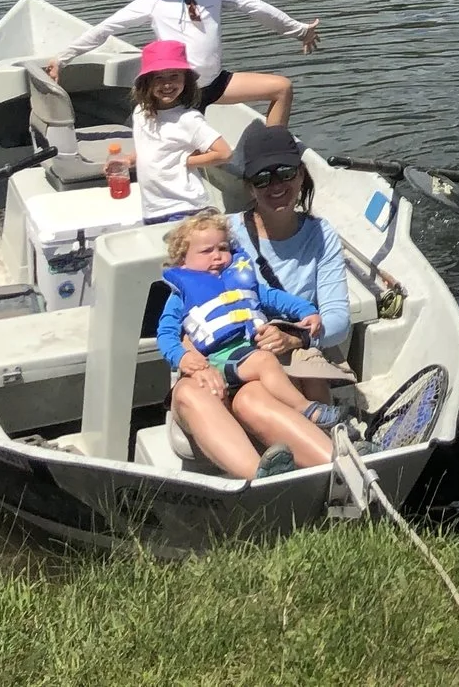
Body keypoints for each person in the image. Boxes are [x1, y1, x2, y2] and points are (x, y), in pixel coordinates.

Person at [45, 0, 319, 125]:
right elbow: (106, 29)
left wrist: (300, 31)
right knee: (188, 145)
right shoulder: (153, 0)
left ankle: (275, 155)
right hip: (177, 90)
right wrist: (64, 58)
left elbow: (257, 8)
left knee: (282, 88)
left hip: (215, 84)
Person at [155, 211, 333, 480]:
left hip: (252, 368)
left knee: (252, 398)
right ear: (183, 259)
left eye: (223, 248)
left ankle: (343, 465)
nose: (217, 257)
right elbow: (166, 334)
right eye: (206, 251)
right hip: (214, 369)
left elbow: (277, 299)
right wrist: (183, 358)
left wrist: (306, 314)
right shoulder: (180, 295)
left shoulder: (242, 282)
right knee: (197, 393)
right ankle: (262, 483)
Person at [226, 122, 352, 413]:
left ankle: (325, 439)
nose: (276, 186)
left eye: (285, 173)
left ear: (301, 175)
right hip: (248, 347)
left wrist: (296, 337)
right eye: (262, 179)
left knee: (308, 374)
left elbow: (338, 319)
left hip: (300, 344)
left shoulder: (322, 235)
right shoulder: (227, 236)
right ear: (249, 186)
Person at [130, 39, 228, 223]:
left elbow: (223, 153)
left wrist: (186, 161)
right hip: (152, 207)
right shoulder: (140, 114)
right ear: (147, 83)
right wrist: (128, 160)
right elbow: (150, 147)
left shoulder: (189, 119)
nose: (167, 85)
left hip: (186, 207)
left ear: (185, 80)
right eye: (159, 77)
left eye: (174, 76)